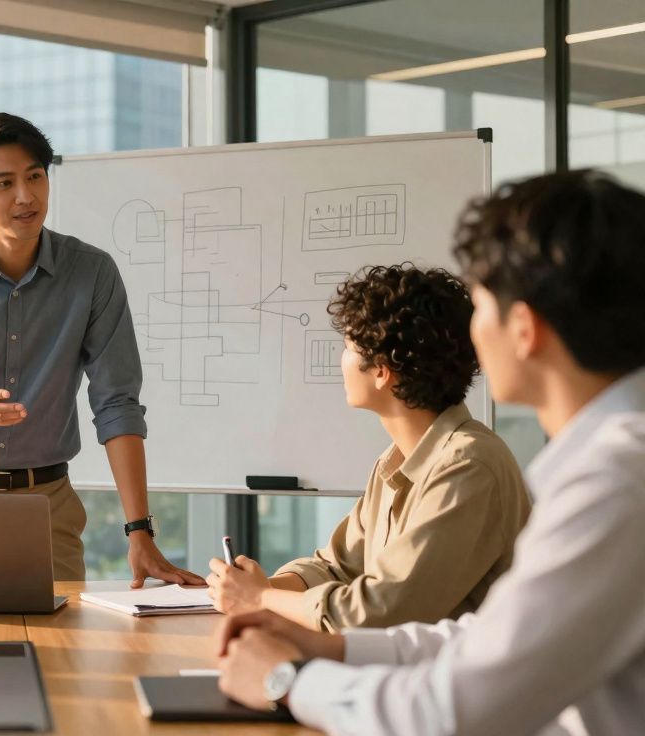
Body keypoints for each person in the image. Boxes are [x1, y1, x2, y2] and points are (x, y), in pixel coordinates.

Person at [215, 170, 645, 735]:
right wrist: (335, 648)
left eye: (482, 307)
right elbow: (487, 637)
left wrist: (287, 681)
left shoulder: (614, 483)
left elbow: (453, 711)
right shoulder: (607, 465)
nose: (471, 333)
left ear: (523, 328)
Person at [0, 112, 202, 585]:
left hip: (46, 507)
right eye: (4, 183)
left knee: (60, 654)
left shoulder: (92, 274)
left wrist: (139, 531)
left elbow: (117, 404)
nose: (26, 196)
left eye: (35, 177)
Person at [206, 264, 530, 631]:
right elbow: (337, 566)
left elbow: (380, 611)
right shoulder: (394, 463)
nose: (341, 361)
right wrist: (255, 588)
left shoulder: (470, 467)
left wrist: (262, 598)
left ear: (381, 370)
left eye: (347, 347)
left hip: (452, 683)